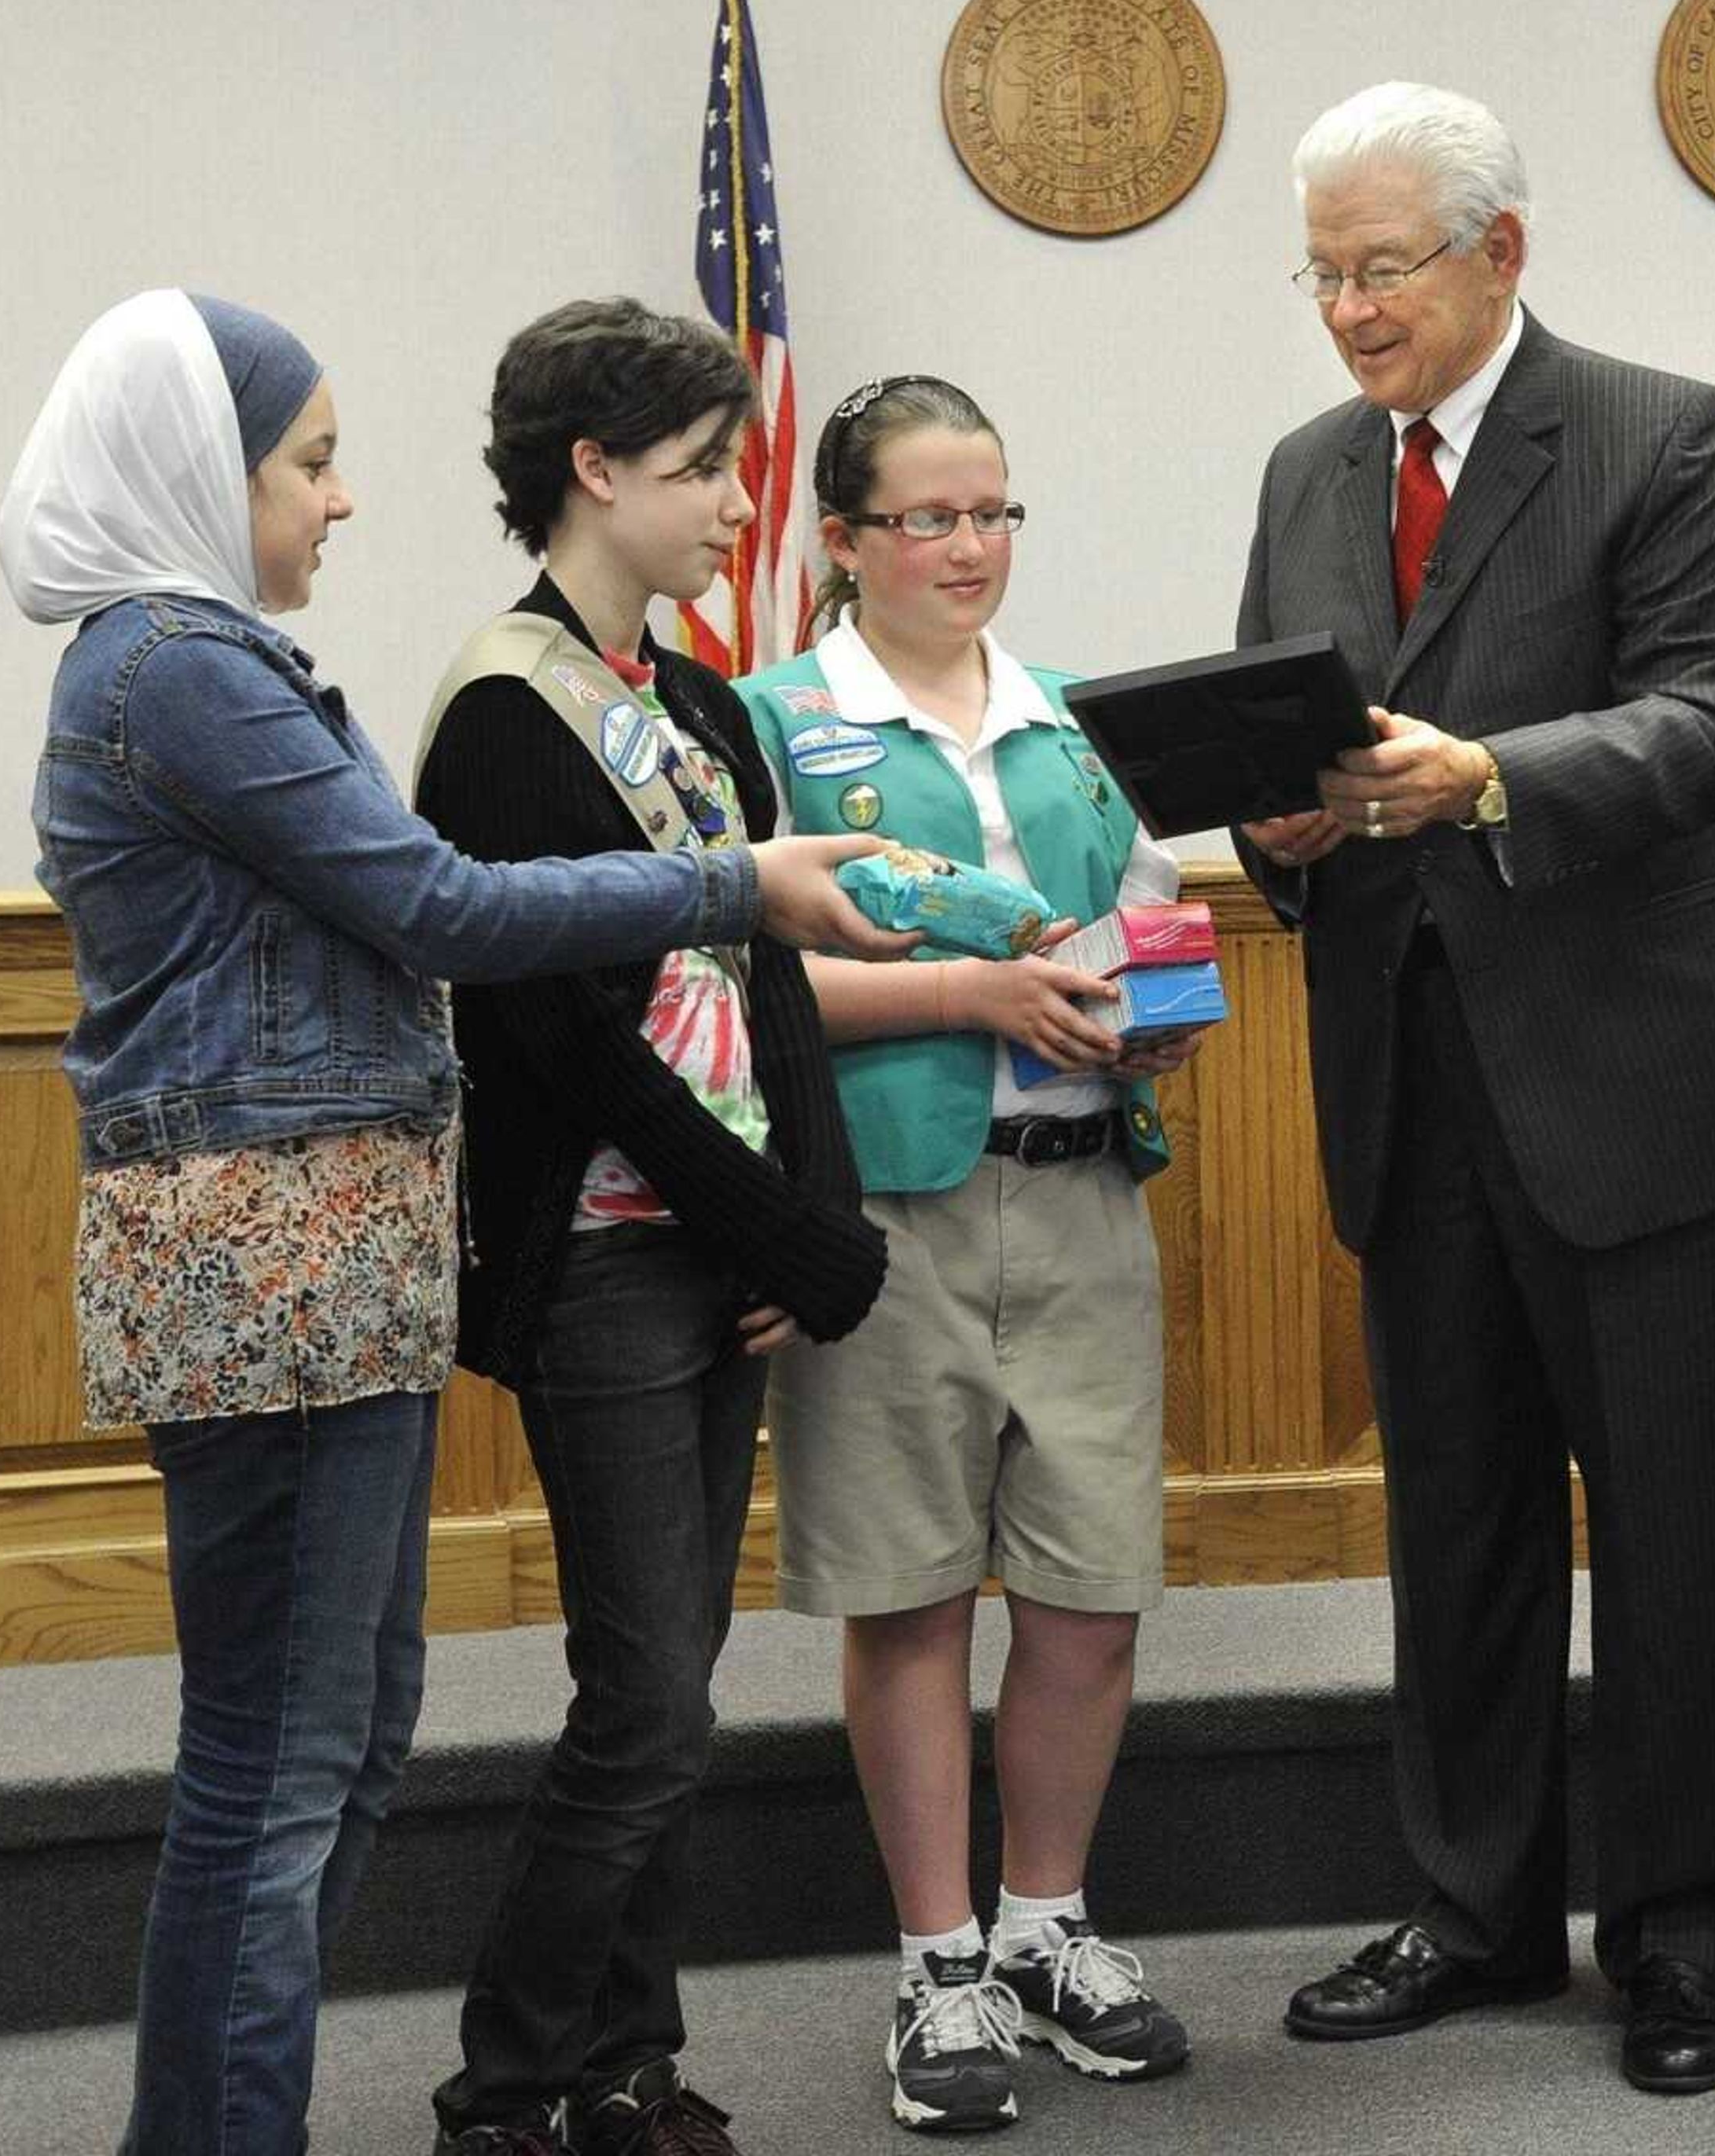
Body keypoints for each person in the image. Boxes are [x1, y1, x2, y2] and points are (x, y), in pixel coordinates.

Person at [0, 289, 905, 2156]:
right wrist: (738, 878)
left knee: (334, 1744)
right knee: (282, 1767)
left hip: (321, 1257)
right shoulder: (178, 659)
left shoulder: (180, 655)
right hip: (284, 1262)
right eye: (309, 464)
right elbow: (434, 901)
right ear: (194, 473)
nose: (340, 502)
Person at [1234, 82, 1715, 2095]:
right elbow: (1278, 735)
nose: (1345, 310)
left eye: (1378, 265)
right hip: (1409, 1076)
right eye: (1321, 271)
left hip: (1641, 1074)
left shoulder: (1663, 435)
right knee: (1460, 1517)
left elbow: (1707, 717)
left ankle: (1684, 1935)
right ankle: (1478, 1910)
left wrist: (1490, 773)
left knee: (1672, 1528)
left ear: (1500, 251)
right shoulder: (1311, 470)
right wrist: (1279, 835)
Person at [413, 299, 894, 2156]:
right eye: (702, 470)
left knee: (677, 1690)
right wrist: (775, 1226)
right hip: (609, 1256)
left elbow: (764, 982)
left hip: (726, 1242)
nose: (734, 503)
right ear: (591, 473)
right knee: (639, 1703)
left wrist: (805, 1217)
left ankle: (629, 2062)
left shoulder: (696, 699)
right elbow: (570, 1050)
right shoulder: (505, 713)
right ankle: (508, 2079)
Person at [734, 374, 1199, 2136]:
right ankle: (936, 1960)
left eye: (994, 511)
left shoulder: (1071, 717)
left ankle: (1047, 1927)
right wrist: (970, 992)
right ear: (841, 542)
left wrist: (1156, 1013)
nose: (968, 548)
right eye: (926, 518)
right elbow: (736, 979)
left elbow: (1146, 920)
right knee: (913, 1584)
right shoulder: (772, 722)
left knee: (1091, 1590)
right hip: (888, 1213)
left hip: (1080, 1191)